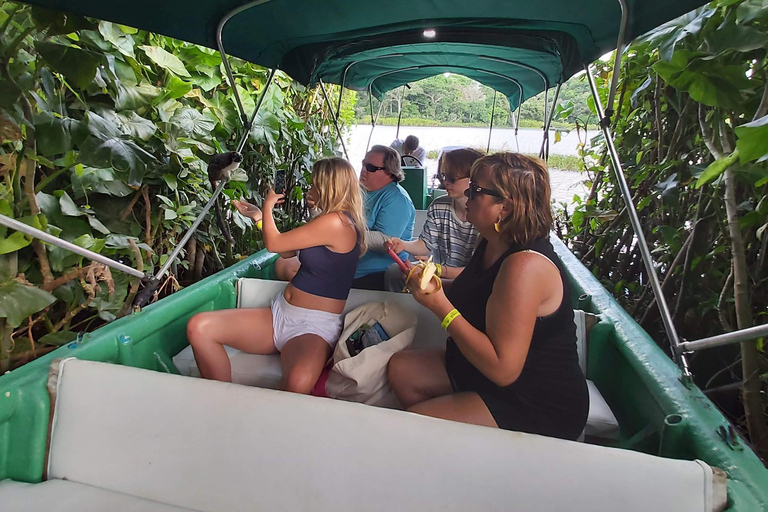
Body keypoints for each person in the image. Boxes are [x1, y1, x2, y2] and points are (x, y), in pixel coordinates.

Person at [387, 153, 589, 440]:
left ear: (505, 207)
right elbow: (479, 292)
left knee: (413, 428)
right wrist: (432, 285)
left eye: (476, 191)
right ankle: (452, 450)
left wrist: (439, 305)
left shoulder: (526, 266)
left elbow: (502, 369)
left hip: (531, 399)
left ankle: (439, 443)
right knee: (402, 369)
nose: (467, 195)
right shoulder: (492, 241)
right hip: (480, 371)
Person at [186, 158, 366, 394]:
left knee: (297, 382)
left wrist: (269, 205)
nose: (310, 190)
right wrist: (260, 218)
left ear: (327, 187)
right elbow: (286, 250)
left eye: (314, 185)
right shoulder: (326, 220)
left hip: (312, 327)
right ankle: (223, 401)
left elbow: (273, 244)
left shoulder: (337, 223)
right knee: (199, 327)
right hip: (280, 314)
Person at [384, 148, 483, 292]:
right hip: (438, 271)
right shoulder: (439, 205)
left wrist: (438, 270)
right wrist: (403, 244)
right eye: (443, 176)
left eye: (452, 178)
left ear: (473, 179)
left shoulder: (484, 217)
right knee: (393, 272)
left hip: (466, 280)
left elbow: (476, 272)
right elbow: (425, 244)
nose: (445, 182)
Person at [353, 145, 415, 291]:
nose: (363, 170)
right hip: (350, 267)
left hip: (376, 274)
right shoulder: (360, 190)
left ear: (389, 173)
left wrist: (345, 233)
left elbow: (386, 240)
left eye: (371, 168)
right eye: (363, 164)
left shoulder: (397, 199)